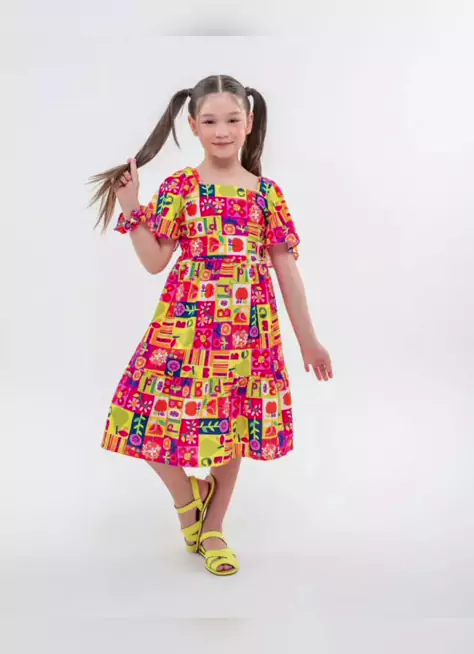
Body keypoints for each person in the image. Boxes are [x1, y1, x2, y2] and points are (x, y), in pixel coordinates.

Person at [89, 74, 334, 577]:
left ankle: (214, 527)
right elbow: (155, 261)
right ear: (193, 125)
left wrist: (309, 341)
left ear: (249, 123)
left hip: (247, 331)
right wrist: (132, 209)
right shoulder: (181, 187)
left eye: (232, 119)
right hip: (183, 326)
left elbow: (287, 271)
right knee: (138, 416)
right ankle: (189, 500)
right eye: (210, 121)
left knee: (231, 425)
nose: (222, 130)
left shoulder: (266, 194)